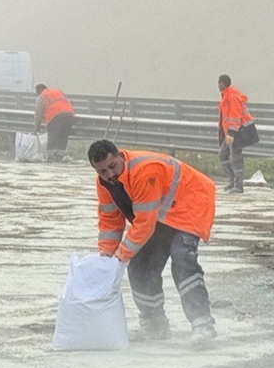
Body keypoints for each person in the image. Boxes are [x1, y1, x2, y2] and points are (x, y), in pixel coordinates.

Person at [89, 139, 218, 343]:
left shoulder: (144, 170)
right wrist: (105, 256)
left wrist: (121, 256)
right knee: (140, 266)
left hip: (191, 202)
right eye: (102, 171)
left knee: (182, 257)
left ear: (120, 156)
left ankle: (203, 324)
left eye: (112, 166)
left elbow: (145, 224)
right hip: (162, 213)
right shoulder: (104, 184)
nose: (109, 174)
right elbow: (110, 222)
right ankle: (155, 326)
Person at [217, 74, 254, 194]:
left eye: (219, 82)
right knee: (223, 154)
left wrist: (231, 134)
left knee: (235, 159)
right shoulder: (225, 96)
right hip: (230, 133)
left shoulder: (232, 97)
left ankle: (239, 185)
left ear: (224, 83)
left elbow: (234, 117)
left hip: (237, 133)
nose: (218, 85)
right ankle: (232, 180)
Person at [34, 84, 76, 162]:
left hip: (55, 117)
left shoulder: (42, 96)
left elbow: (38, 114)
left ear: (40, 90)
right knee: (63, 137)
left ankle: (50, 159)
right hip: (69, 115)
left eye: (36, 92)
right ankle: (60, 158)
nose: (36, 95)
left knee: (53, 138)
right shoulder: (58, 91)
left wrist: (37, 128)